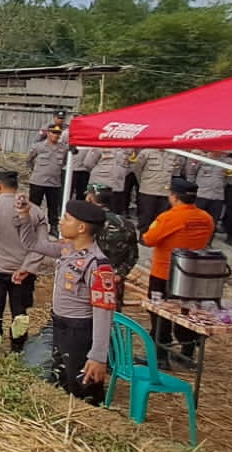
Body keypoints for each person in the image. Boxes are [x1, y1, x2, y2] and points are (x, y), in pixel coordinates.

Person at [13, 197, 118, 405]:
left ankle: (89, 420)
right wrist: (24, 216)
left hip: (79, 331)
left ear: (81, 228)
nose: (61, 222)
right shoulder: (67, 249)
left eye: (67, 219)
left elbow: (103, 312)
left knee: (82, 387)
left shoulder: (97, 265)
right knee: (61, 380)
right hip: (60, 324)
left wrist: (97, 355)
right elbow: (31, 243)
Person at [143, 178, 216, 368]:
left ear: (174, 197)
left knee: (160, 315)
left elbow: (149, 239)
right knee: (188, 313)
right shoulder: (206, 218)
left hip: (164, 274)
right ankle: (187, 354)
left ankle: (160, 357)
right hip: (193, 276)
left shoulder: (169, 217)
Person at [0, 170, 47, 351]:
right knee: (20, 314)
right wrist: (28, 267)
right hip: (23, 271)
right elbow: (42, 245)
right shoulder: (35, 211)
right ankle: (18, 349)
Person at [86, 183, 140, 310]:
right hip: (113, 283)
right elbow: (133, 255)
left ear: (90, 199)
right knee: (111, 321)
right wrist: (119, 274)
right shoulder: (126, 224)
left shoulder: (85, 223)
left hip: (88, 282)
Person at [26, 124, 68, 228]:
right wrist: (36, 171)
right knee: (34, 206)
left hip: (54, 182)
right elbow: (29, 160)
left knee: (53, 207)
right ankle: (32, 225)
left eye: (58, 133)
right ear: (48, 133)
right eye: (54, 132)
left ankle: (53, 227)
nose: (56, 135)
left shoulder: (64, 148)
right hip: (38, 181)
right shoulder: (38, 146)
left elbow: (64, 162)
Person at [132, 149, 184, 233]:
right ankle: (144, 235)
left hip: (164, 191)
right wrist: (143, 182)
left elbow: (175, 172)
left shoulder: (173, 154)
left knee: (161, 217)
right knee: (146, 215)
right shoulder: (146, 153)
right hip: (148, 189)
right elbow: (137, 169)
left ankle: (156, 235)